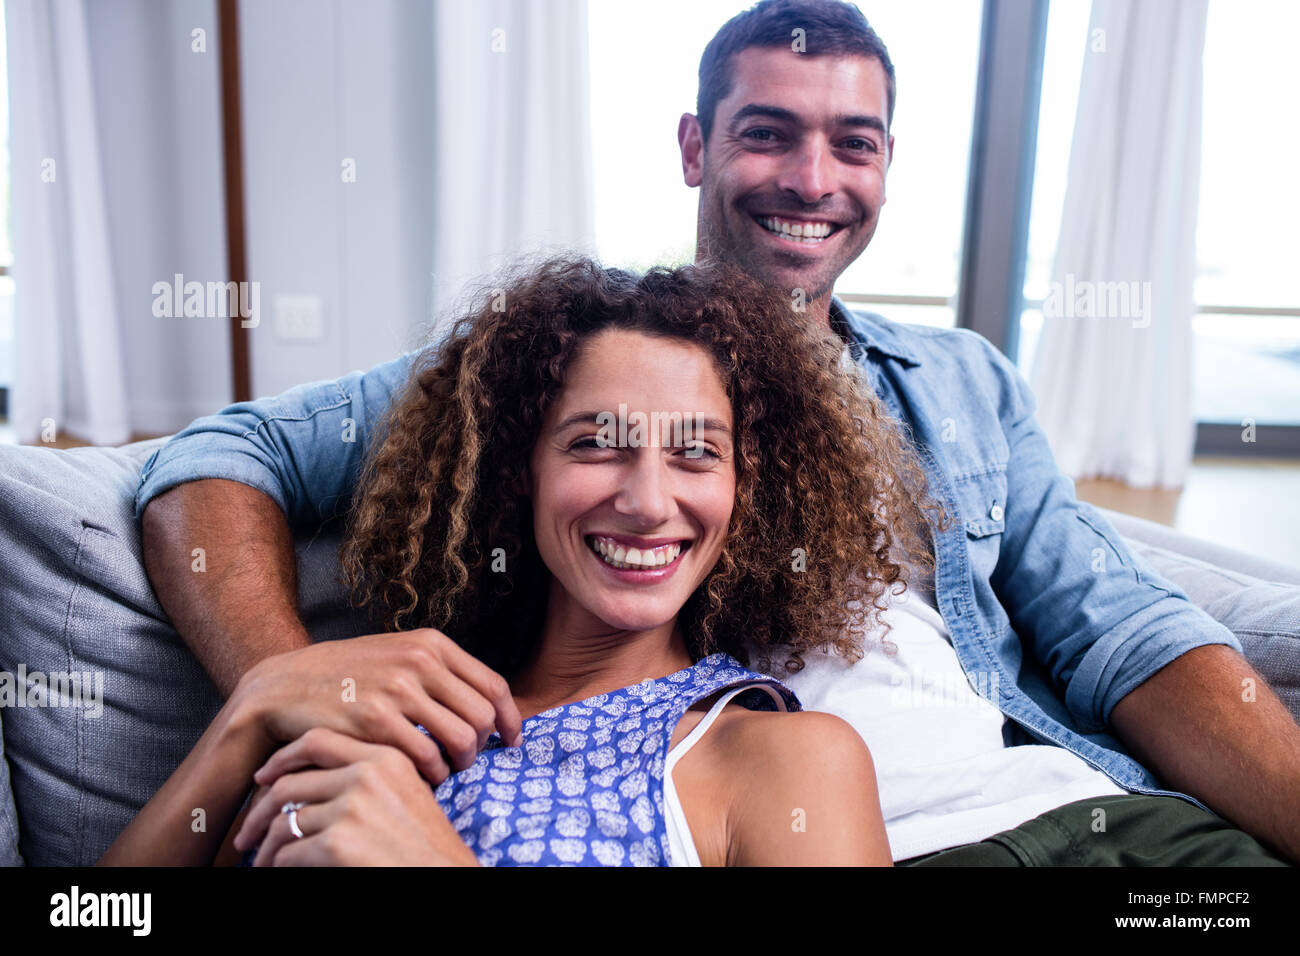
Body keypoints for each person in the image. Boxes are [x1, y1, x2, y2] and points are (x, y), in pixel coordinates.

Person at [133, 0, 1298, 865]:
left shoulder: (962, 384)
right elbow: (218, 459)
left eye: (853, 142)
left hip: (1108, 821)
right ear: (694, 147)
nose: (812, 177)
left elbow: (1122, 626)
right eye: (768, 132)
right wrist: (280, 688)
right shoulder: (572, 351)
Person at [101, 257, 945, 866]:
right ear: (520, 470)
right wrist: (252, 709)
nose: (649, 500)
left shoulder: (780, 760)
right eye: (594, 445)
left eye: (696, 454)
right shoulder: (386, 706)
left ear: (743, 492)